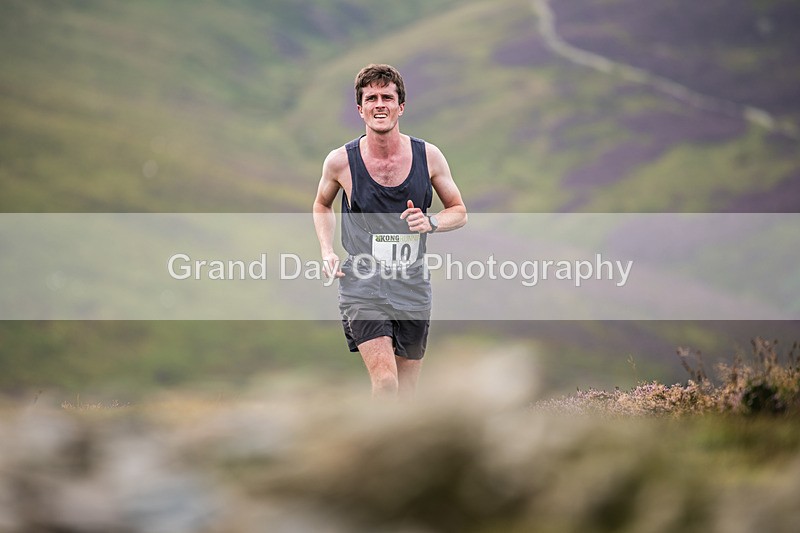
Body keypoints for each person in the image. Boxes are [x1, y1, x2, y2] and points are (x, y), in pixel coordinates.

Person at [312, 63, 467, 399]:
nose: (379, 104)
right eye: (371, 98)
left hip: (412, 284)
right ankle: (373, 451)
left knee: (407, 391)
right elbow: (321, 204)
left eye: (387, 97)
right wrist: (327, 251)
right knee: (385, 383)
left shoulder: (429, 157)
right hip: (363, 282)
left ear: (401, 106)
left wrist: (432, 222)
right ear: (360, 109)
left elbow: (459, 210)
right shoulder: (340, 162)